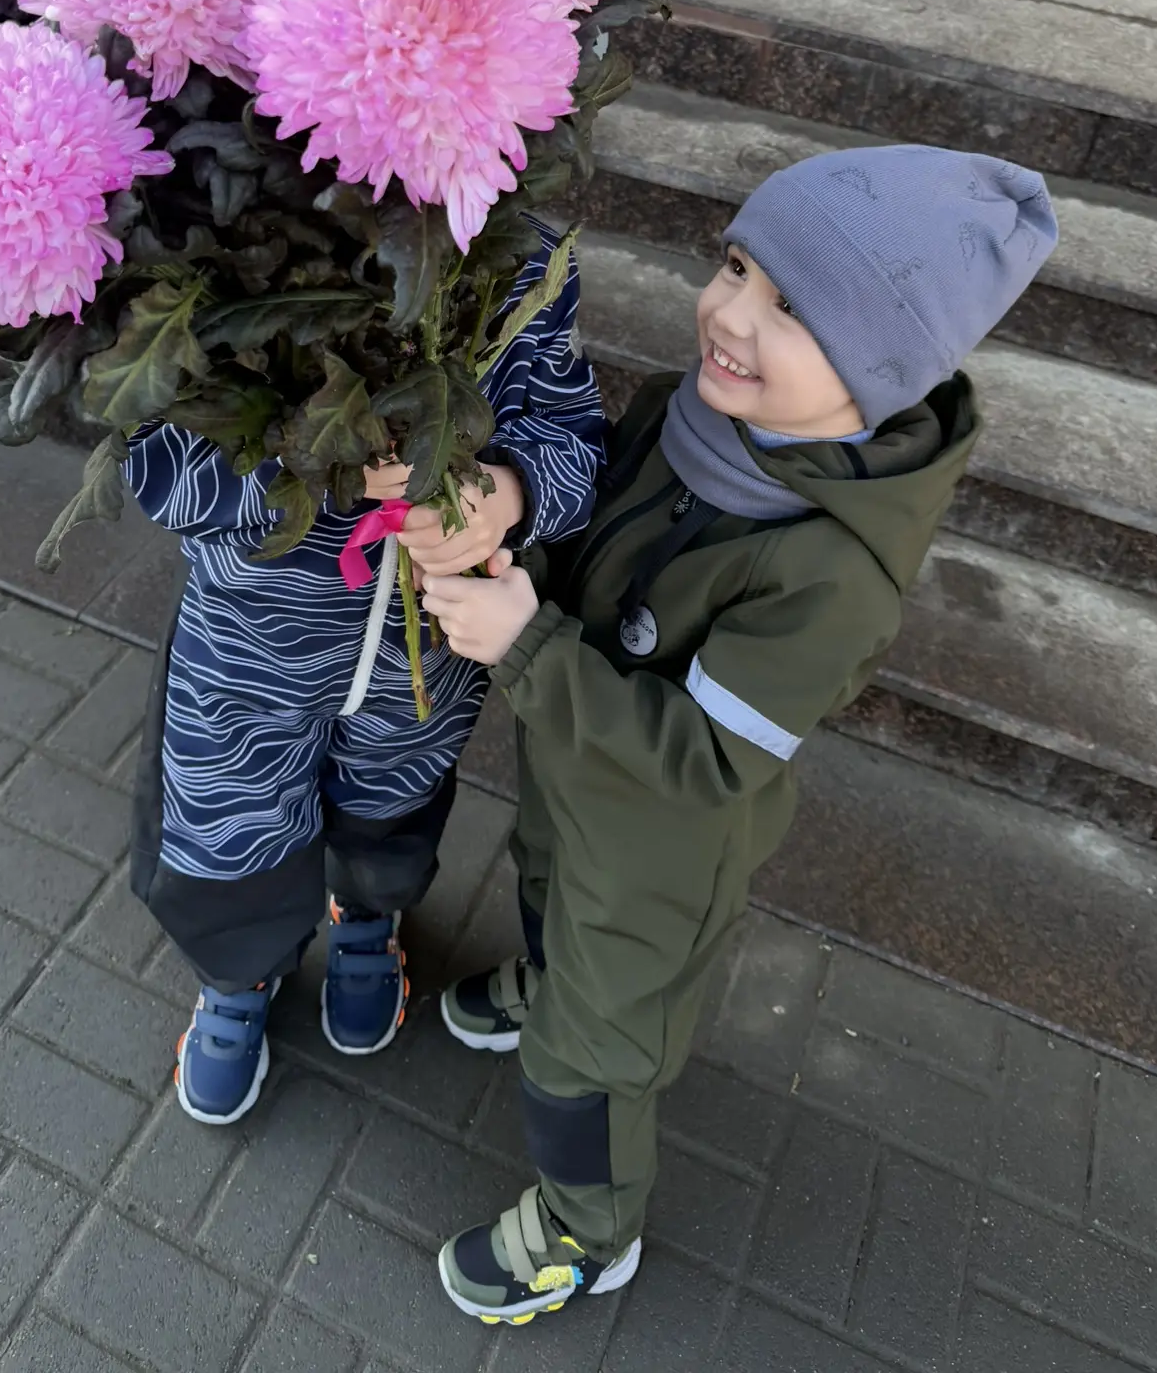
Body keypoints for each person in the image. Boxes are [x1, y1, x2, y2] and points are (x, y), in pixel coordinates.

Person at [421, 145, 1059, 1326]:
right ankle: (548, 974)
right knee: (544, 881)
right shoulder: (687, 414)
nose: (729, 313)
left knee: (594, 1054)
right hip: (577, 781)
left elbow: (708, 762)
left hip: (661, 857)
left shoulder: (831, 577)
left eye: (793, 308)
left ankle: (587, 1227)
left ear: (882, 367)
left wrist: (527, 644)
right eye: (735, 266)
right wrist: (512, 540)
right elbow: (592, 540)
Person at [126, 220, 605, 1124]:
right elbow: (153, 457)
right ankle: (239, 972)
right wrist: (306, 457)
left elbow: (573, 434)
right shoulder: (239, 236)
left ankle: (369, 913)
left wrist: (509, 495)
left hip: (425, 660)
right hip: (253, 649)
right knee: (226, 817)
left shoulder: (524, 254)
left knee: (395, 803)